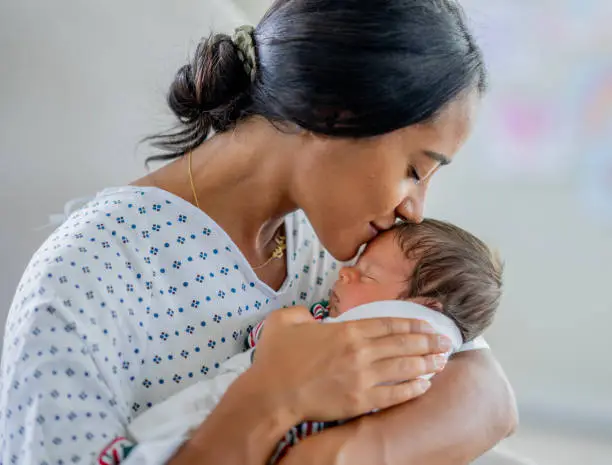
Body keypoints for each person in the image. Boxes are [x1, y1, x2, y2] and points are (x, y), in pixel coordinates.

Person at [0, 1, 518, 464]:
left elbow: (486, 389)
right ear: (334, 113)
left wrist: (339, 455)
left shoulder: (343, 244)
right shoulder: (88, 274)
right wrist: (272, 399)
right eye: (414, 169)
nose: (414, 209)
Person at [123, 219, 504, 465]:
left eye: (366, 276)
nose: (344, 274)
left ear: (422, 312)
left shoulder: (427, 358)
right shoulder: (330, 319)